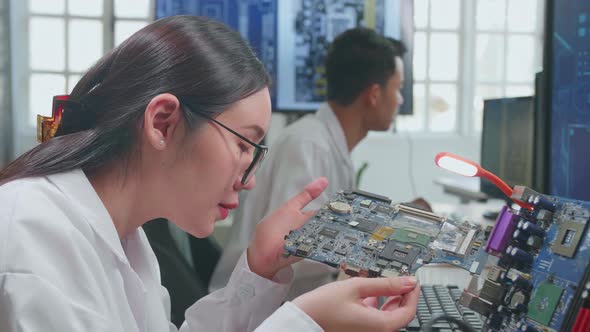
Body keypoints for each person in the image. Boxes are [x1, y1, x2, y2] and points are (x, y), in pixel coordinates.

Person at [0, 16, 419, 331]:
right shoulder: (33, 235)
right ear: (163, 123)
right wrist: (303, 322)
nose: (250, 178)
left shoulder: (130, 242)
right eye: (243, 145)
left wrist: (259, 270)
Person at [212, 28, 426, 298]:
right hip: (255, 309)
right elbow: (299, 248)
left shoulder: (327, 142)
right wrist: (393, 232)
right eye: (399, 89)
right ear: (373, 94)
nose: (400, 100)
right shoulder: (308, 144)